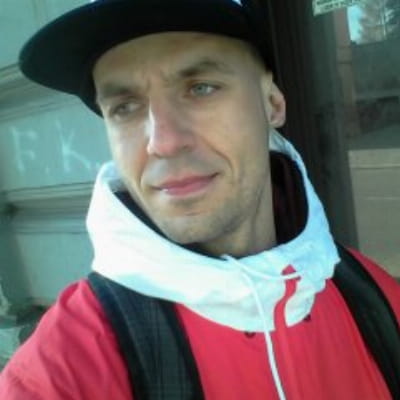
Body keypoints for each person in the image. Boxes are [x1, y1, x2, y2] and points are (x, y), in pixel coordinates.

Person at [0, 0, 399, 399]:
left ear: (272, 103)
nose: (164, 142)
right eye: (125, 107)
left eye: (200, 88)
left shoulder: (377, 301)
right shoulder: (62, 369)